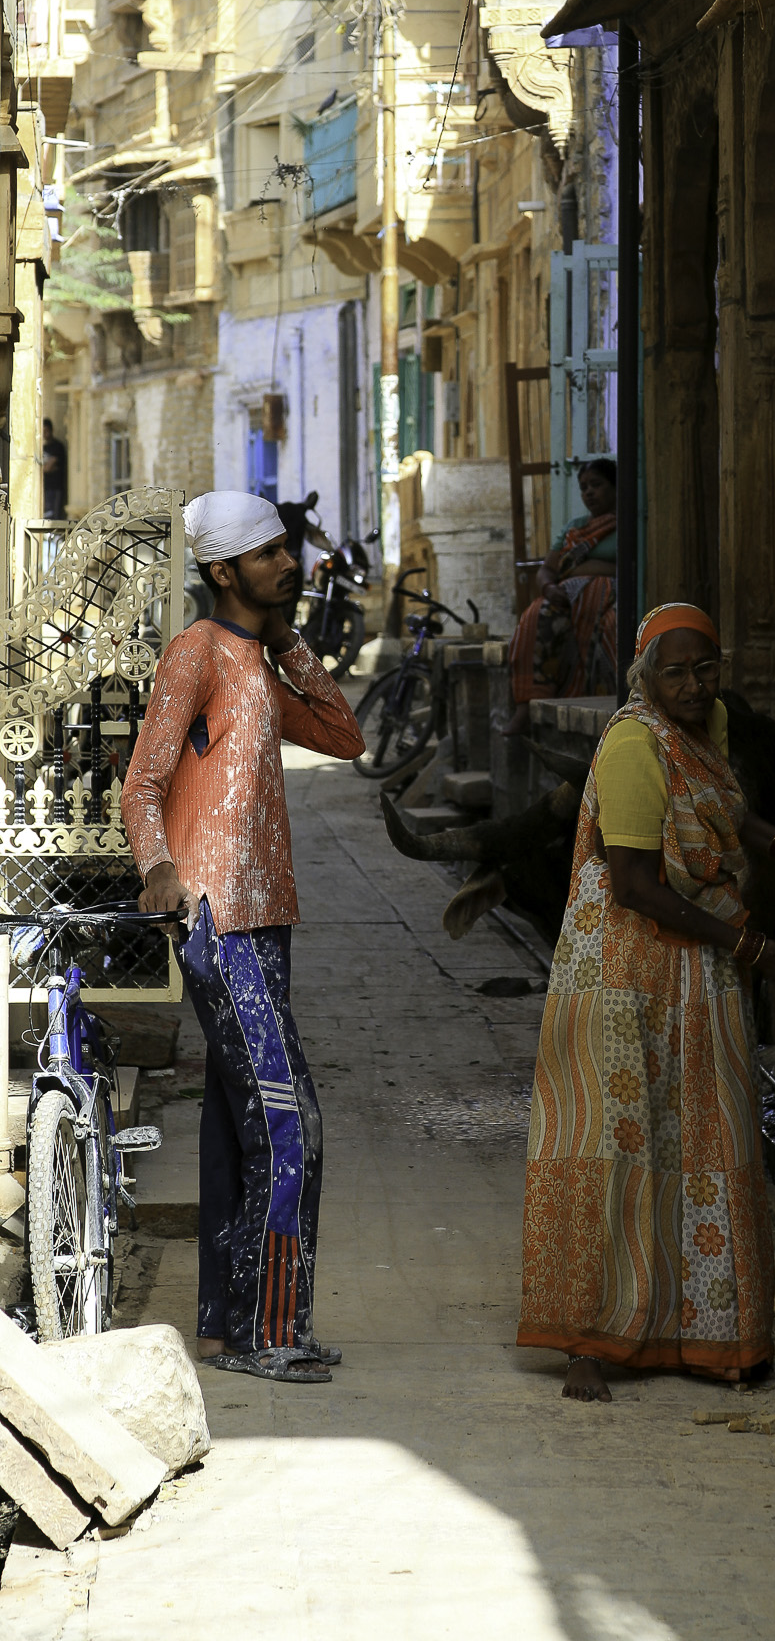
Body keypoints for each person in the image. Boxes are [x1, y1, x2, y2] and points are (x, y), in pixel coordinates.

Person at [517, 602, 775, 1403]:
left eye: (704, 668)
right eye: (675, 673)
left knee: (704, 1145)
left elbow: (722, 806)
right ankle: (592, 1340)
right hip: (625, 975)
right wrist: (758, 948)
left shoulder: (707, 728)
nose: (692, 685)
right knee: (616, 1154)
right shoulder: (630, 744)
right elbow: (634, 883)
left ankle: (706, 1332)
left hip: (698, 970)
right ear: (645, 678)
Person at [122, 490, 364, 1383]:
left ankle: (228, 1329)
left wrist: (291, 642)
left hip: (268, 918)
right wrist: (160, 871)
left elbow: (344, 734)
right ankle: (270, 1335)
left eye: (285, 551)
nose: (288, 565)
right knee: (288, 1122)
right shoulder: (196, 655)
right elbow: (142, 783)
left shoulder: (257, 661)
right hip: (221, 919)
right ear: (223, 571)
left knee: (237, 1126)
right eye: (268, 556)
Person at [504, 458, 617, 738]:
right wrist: (548, 589)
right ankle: (527, 705)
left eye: (596, 485)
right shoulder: (574, 527)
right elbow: (547, 569)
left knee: (614, 627)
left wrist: (592, 575)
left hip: (612, 593)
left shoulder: (628, 524)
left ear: (616, 487)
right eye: (583, 488)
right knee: (535, 617)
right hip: (565, 594)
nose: (588, 492)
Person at [42, 418, 67, 520]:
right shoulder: (43, 448)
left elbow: (47, 468)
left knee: (55, 517)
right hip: (45, 487)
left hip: (56, 488)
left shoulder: (57, 447)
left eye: (46, 431)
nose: (45, 434)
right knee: (46, 516)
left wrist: (46, 467)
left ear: (51, 430)